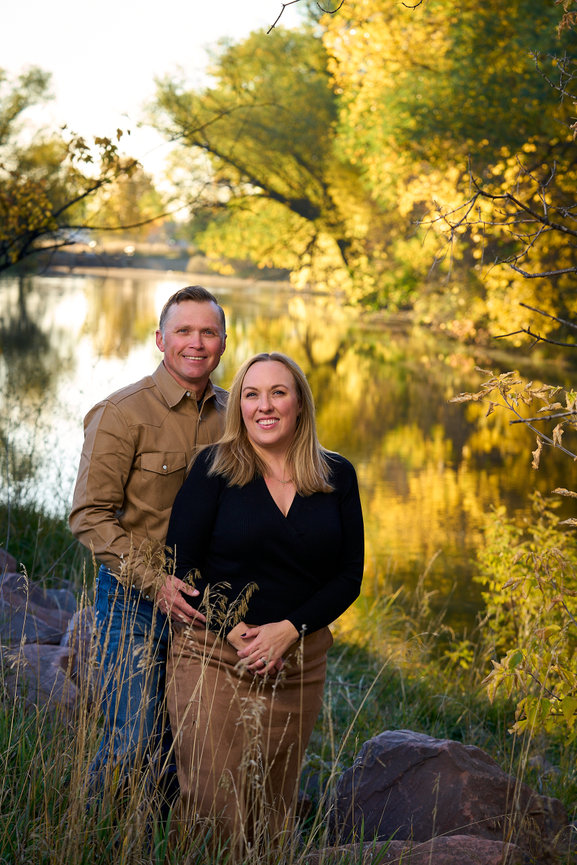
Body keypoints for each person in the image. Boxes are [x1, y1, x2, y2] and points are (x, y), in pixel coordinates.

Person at [165, 351, 364, 854]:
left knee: (273, 809)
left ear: (300, 403)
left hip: (299, 664)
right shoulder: (213, 467)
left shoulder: (337, 475)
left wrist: (290, 628)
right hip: (214, 656)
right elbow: (183, 564)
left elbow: (348, 577)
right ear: (240, 406)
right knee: (212, 803)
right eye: (251, 394)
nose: (264, 405)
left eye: (278, 392)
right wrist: (235, 628)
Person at [69, 285, 228, 803]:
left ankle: (161, 840)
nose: (196, 343)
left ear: (224, 342)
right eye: (184, 330)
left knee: (190, 746)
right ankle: (92, 835)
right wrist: (154, 583)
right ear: (161, 339)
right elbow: (89, 516)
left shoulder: (239, 416)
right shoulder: (121, 413)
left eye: (208, 331)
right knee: (134, 738)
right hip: (134, 600)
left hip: (211, 609)